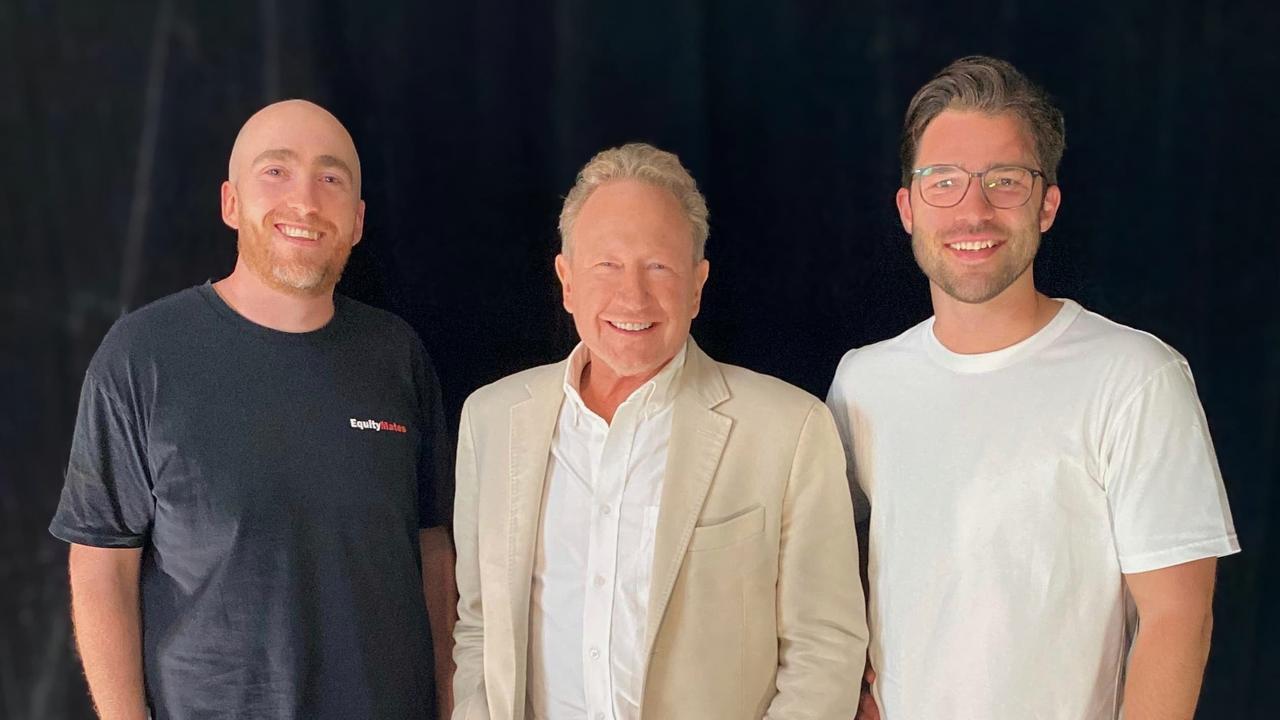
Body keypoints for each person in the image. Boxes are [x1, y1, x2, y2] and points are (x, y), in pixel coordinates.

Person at [826, 56, 1240, 720]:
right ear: (907, 207)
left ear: (1047, 204)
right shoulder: (863, 380)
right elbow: (819, 562)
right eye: (944, 182)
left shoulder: (1134, 376)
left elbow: (1177, 617)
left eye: (1006, 181)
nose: (974, 210)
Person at [50, 99, 455, 720]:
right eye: (276, 172)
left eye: (330, 178)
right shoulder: (142, 357)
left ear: (357, 220)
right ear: (230, 203)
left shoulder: (396, 355)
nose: (305, 201)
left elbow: (432, 547)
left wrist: (452, 703)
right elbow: (103, 564)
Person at [451, 143, 867, 720]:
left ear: (697, 285)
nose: (633, 296)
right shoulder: (490, 421)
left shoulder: (789, 430)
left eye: (659, 267)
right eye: (607, 265)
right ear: (566, 280)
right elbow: (478, 629)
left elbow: (826, 650)